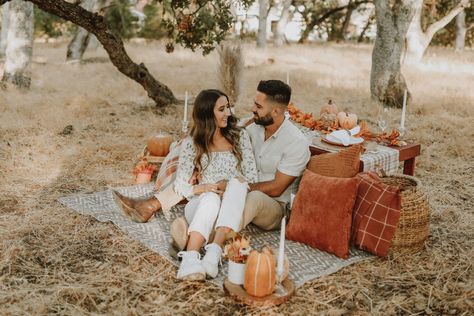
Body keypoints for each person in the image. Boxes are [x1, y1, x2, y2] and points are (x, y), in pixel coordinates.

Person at [154, 89, 258, 280]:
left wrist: (227, 185)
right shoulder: (192, 143)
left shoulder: (239, 136)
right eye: (221, 109)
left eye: (227, 107)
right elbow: (180, 186)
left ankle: (212, 253)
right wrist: (201, 188)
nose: (228, 113)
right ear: (207, 113)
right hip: (202, 204)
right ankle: (190, 258)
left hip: (233, 204)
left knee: (237, 183)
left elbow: (251, 177)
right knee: (210, 197)